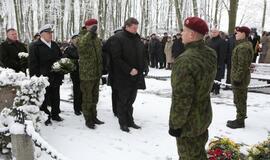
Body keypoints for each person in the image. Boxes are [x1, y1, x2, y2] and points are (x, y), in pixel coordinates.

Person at [168, 17, 217, 160]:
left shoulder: (185, 60)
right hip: (203, 115)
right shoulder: (210, 53)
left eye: (184, 31)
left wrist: (176, 124)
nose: (181, 33)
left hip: (188, 123)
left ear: (192, 35)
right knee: (199, 153)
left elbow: (182, 98)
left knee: (189, 156)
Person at [110, 17, 148, 132]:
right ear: (126, 27)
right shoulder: (118, 38)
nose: (136, 30)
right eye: (134, 28)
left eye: (137, 28)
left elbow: (142, 54)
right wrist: (129, 69)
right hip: (123, 76)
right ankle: (123, 123)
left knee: (131, 100)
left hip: (136, 75)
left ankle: (130, 121)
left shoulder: (137, 38)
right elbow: (116, 58)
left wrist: (145, 66)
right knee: (123, 101)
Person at [29, 24, 64, 125]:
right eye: (48, 33)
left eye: (51, 33)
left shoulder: (54, 45)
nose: (50, 35)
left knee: (56, 96)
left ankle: (55, 114)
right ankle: (46, 117)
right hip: (43, 77)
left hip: (55, 76)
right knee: (44, 98)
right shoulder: (35, 46)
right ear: (41, 34)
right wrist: (34, 79)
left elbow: (60, 59)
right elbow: (32, 64)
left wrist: (61, 72)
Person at [78, 19, 104, 129]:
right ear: (87, 27)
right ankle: (88, 119)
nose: (95, 28)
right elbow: (81, 46)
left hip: (96, 73)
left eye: (96, 26)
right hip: (86, 74)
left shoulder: (96, 39)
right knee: (87, 98)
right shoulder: (81, 37)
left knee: (95, 97)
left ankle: (94, 116)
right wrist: (89, 33)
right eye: (93, 26)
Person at [226, 26, 254, 129]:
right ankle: (240, 118)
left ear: (243, 34)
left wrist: (237, 78)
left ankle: (240, 121)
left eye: (237, 33)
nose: (235, 35)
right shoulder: (243, 45)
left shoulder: (243, 47)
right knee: (239, 99)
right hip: (240, 78)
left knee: (240, 99)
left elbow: (242, 65)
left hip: (240, 79)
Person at [102, 29, 122, 117]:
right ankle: (117, 110)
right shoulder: (112, 41)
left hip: (116, 71)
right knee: (117, 92)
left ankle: (117, 110)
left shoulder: (112, 41)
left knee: (116, 92)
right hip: (115, 71)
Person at [63, 34, 82, 116]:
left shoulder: (82, 48)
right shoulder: (69, 49)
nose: (77, 40)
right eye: (75, 39)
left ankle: (82, 106)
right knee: (77, 90)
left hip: (84, 72)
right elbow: (66, 60)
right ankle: (77, 108)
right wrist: (76, 61)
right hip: (75, 72)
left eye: (78, 39)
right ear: (72, 40)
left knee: (83, 91)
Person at [207, 27, 226, 95]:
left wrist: (220, 64)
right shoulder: (209, 41)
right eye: (211, 31)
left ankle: (216, 90)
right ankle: (210, 89)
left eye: (214, 32)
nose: (213, 33)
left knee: (217, 78)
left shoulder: (221, 41)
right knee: (210, 77)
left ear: (218, 33)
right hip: (209, 63)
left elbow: (222, 54)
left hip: (217, 63)